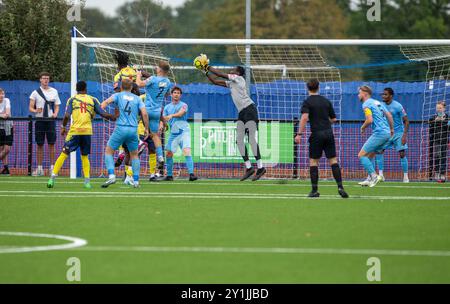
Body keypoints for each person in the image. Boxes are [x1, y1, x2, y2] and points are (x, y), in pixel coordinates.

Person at [200, 56, 266, 181]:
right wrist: (205, 72)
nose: (231, 72)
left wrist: (207, 65)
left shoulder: (239, 79)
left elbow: (220, 74)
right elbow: (215, 81)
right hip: (242, 112)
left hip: (250, 110)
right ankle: (249, 168)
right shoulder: (231, 83)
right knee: (239, 141)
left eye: (234, 70)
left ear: (238, 73)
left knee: (251, 139)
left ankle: (261, 167)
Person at [47, 81, 116, 189]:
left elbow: (66, 116)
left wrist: (63, 127)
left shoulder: (72, 99)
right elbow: (103, 114)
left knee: (64, 153)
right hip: (87, 132)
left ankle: (52, 178)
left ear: (76, 89)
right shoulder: (93, 100)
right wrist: (115, 117)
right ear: (86, 89)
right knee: (84, 156)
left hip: (75, 131)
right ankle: (87, 182)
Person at [294, 79, 348, 198]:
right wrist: (324, 121)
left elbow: (304, 118)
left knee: (314, 162)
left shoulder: (307, 102)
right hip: (329, 133)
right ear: (318, 87)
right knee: (333, 160)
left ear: (307, 88)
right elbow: (333, 119)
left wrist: (299, 134)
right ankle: (340, 187)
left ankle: (314, 190)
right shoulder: (326, 101)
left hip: (317, 134)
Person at [101, 79, 149, 188]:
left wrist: (101, 111)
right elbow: (145, 114)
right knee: (134, 155)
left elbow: (105, 103)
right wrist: (146, 128)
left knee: (109, 151)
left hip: (120, 129)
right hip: (133, 130)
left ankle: (112, 176)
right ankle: (136, 181)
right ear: (132, 87)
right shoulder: (137, 98)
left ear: (121, 87)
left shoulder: (117, 95)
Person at [136, 61, 172, 173]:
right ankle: (160, 157)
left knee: (137, 128)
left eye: (157, 67)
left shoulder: (152, 79)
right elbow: (165, 92)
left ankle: (141, 144)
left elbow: (139, 84)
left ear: (160, 70)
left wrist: (138, 74)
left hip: (146, 110)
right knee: (155, 135)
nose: (156, 68)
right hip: (157, 111)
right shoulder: (168, 82)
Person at [358, 85, 394, 187]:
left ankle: (374, 176)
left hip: (380, 133)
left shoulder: (366, 104)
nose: (358, 95)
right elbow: (389, 115)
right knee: (369, 157)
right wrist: (391, 130)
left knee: (361, 155)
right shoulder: (377, 102)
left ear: (365, 94)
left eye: (359, 93)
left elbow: (369, 120)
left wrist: (363, 127)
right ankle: (369, 179)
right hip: (386, 133)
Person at [162, 86, 197, 181]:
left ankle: (191, 174)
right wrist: (163, 125)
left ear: (180, 95)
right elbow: (164, 119)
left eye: (178, 93)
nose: (176, 94)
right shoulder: (167, 107)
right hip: (173, 134)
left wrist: (171, 116)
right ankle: (169, 176)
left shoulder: (184, 105)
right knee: (168, 153)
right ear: (171, 94)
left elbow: (181, 113)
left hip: (184, 132)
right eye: (175, 93)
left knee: (186, 151)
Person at [374, 88, 410, 183]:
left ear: (391, 96)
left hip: (398, 133)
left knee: (402, 154)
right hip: (386, 133)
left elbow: (406, 121)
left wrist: (404, 136)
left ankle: (405, 177)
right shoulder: (380, 105)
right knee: (379, 151)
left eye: (385, 94)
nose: (383, 96)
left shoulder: (398, 106)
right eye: (382, 94)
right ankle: (381, 175)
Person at [29, 72, 61, 176]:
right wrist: (35, 111)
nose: (46, 80)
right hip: (39, 120)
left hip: (50, 120)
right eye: (44, 78)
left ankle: (52, 168)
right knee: (39, 144)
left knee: (52, 144)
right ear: (40, 80)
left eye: (47, 78)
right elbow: (30, 107)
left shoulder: (54, 91)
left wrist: (55, 114)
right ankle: (39, 169)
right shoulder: (35, 92)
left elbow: (57, 105)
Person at [428, 101, 450, 182]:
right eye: (437, 108)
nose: (439, 110)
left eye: (440, 108)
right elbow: (430, 129)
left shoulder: (448, 118)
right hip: (436, 140)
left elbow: (448, 129)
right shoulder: (433, 118)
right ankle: (437, 173)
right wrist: (435, 122)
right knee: (437, 156)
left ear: (444, 108)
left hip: (444, 140)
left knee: (443, 157)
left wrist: (444, 122)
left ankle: (442, 174)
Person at [0, 88, 13, 175]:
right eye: (0, 94)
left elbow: (7, 114)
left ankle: (5, 168)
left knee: (7, 149)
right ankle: (6, 168)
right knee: (1, 148)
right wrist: (2, 114)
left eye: (3, 94)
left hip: (8, 126)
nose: (2, 95)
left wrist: (3, 114)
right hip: (0, 128)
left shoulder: (7, 100)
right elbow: (3, 115)